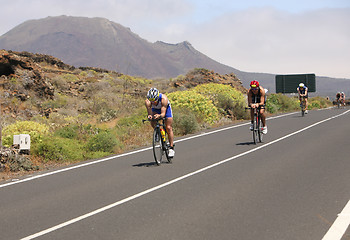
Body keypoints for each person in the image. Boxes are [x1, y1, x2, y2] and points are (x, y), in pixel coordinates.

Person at [145, 88, 175, 157]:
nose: (153, 103)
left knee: (168, 127)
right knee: (152, 121)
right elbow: (149, 113)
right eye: (151, 101)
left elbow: (163, 114)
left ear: (157, 97)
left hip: (165, 109)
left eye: (154, 101)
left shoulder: (163, 99)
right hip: (155, 109)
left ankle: (171, 147)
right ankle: (158, 133)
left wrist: (160, 115)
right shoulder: (147, 102)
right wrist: (150, 116)